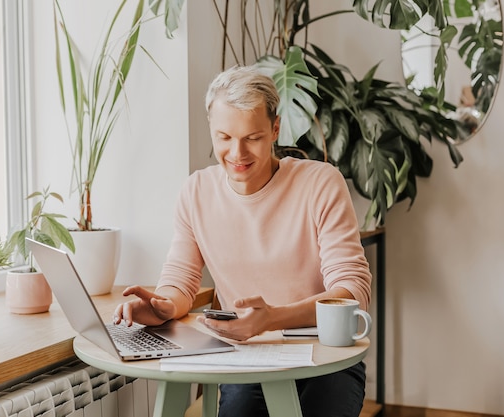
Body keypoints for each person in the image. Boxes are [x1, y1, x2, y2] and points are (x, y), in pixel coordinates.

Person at [114, 65, 372, 417]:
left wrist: (272, 318)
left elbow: (352, 292)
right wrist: (163, 307)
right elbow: (180, 280)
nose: (237, 153)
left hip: (326, 360)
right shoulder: (196, 192)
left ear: (275, 129)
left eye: (252, 137)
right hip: (247, 360)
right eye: (224, 137)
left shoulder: (320, 183)